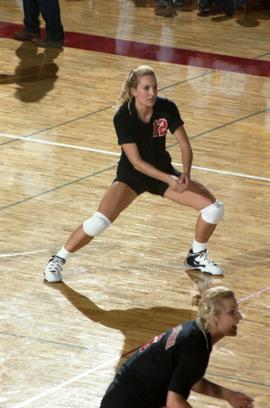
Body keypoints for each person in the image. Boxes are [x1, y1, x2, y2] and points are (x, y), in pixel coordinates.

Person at [43, 65, 225, 283]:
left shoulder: (167, 107)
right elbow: (137, 163)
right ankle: (58, 259)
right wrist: (169, 179)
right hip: (132, 176)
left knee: (214, 210)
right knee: (98, 222)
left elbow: (185, 145)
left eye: (155, 87)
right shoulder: (123, 116)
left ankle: (196, 256)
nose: (152, 93)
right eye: (146, 88)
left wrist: (185, 173)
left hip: (163, 172)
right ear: (133, 91)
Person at [100, 286, 254, 408]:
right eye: (232, 312)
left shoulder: (195, 332)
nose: (239, 316)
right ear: (214, 319)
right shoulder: (195, 346)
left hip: (121, 399)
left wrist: (229, 395)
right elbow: (175, 403)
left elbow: (190, 379)